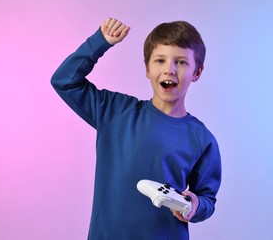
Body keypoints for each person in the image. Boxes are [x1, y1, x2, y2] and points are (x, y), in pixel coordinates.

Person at [51, 17, 221, 239]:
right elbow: (64, 81)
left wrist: (194, 205)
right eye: (160, 60)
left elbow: (207, 199)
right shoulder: (114, 111)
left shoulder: (202, 139)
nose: (169, 70)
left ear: (196, 72)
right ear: (147, 69)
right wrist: (99, 43)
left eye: (181, 62)